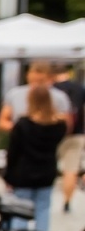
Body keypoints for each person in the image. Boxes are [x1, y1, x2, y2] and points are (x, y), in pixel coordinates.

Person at [3, 84, 66, 231]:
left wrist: (8, 175)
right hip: (47, 171)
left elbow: (13, 152)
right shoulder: (59, 125)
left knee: (20, 211)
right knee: (43, 210)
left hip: (24, 172)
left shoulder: (23, 124)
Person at [0, 61, 73, 139]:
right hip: (24, 140)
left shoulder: (60, 97)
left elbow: (66, 124)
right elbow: (2, 122)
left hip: (48, 141)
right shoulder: (14, 94)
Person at [52, 65, 85, 214]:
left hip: (52, 134)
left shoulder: (52, 89)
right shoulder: (79, 88)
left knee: (46, 164)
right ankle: (67, 202)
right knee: (70, 170)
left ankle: (41, 197)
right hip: (77, 134)